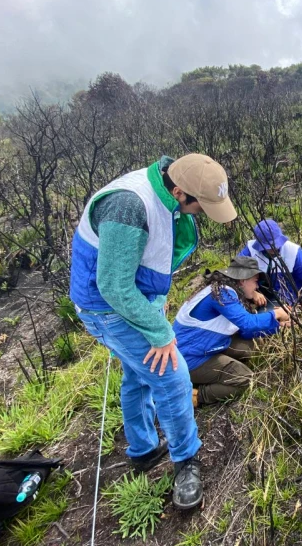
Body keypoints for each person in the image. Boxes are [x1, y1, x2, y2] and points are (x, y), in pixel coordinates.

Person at [70, 153, 236, 510]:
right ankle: (186, 461)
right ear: (179, 192)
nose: (202, 213)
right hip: (107, 308)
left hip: (136, 297)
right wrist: (160, 332)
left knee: (138, 372)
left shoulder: (167, 186)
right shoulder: (128, 208)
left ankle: (143, 450)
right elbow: (113, 286)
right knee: (172, 374)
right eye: (201, 206)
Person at [174, 256, 290, 405]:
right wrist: (277, 313)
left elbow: (244, 332)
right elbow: (247, 324)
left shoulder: (222, 290)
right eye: (255, 281)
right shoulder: (222, 293)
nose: (257, 287)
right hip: (189, 359)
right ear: (243, 280)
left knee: (252, 347)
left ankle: (207, 377)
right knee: (245, 379)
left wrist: (277, 325)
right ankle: (194, 396)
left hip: (203, 346)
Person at [238, 219, 302, 306]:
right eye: (268, 245)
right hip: (259, 298)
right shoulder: (250, 251)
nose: (274, 247)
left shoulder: (295, 253)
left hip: (288, 299)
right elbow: (235, 276)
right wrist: (252, 293)